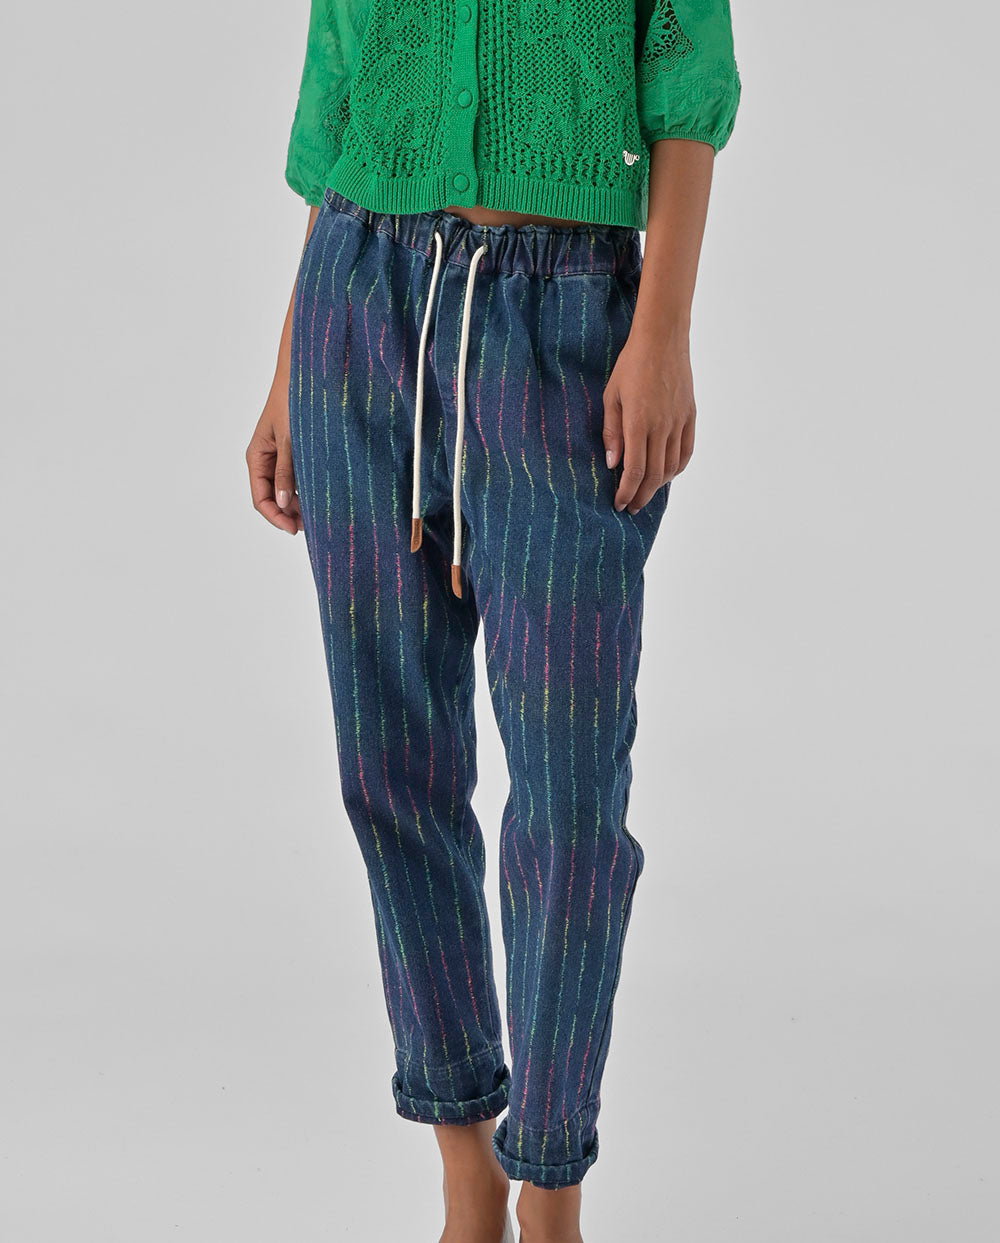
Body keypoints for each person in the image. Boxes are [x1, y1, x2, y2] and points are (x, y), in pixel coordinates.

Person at [246, 2, 740, 1239]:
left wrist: (664, 328)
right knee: (390, 771)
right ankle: (465, 1169)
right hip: (357, 312)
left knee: (570, 801)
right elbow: (338, 93)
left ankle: (551, 1187)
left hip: (562, 326)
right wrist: (288, 370)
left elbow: (686, 74)